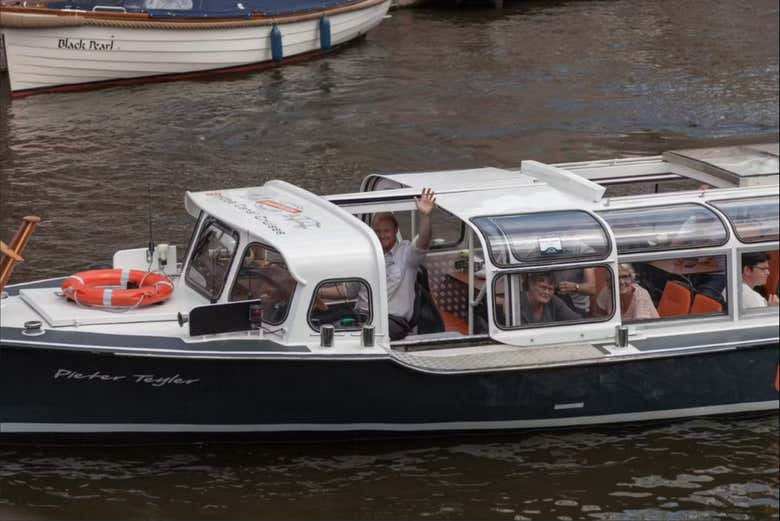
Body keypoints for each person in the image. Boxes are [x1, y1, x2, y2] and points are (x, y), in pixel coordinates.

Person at [354, 188, 436, 340]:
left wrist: (425, 216)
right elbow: (347, 290)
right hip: (361, 317)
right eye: (377, 231)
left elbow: (423, 242)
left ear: (396, 230)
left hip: (391, 322)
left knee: (359, 338)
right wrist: (317, 292)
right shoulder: (368, 256)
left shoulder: (407, 254)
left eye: (386, 231)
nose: (382, 235)